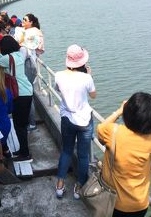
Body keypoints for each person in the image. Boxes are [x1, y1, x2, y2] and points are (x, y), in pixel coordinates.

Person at [98, 93, 151, 217]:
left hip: (113, 201)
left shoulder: (114, 132)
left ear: (127, 114)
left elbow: (101, 128)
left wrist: (118, 112)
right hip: (139, 204)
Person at [0, 36, 34, 162]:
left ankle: (25, 154)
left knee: (19, 125)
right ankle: (23, 150)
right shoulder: (18, 55)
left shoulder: (8, 58)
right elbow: (0, 58)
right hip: (27, 92)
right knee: (21, 124)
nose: (0, 49)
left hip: (20, 94)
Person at [54, 44, 96, 199]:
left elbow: (58, 89)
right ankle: (78, 188)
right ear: (82, 62)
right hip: (84, 121)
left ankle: (60, 185)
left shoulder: (59, 75)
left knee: (66, 151)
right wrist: (89, 75)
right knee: (83, 155)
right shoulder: (86, 78)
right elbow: (93, 95)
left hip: (67, 118)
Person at [15, 13, 44, 131]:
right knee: (28, 93)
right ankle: (30, 121)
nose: (23, 21)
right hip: (31, 64)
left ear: (31, 22)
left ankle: (31, 123)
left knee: (27, 94)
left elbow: (25, 52)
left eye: (25, 20)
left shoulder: (31, 33)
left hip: (28, 65)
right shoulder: (34, 32)